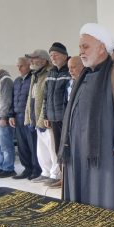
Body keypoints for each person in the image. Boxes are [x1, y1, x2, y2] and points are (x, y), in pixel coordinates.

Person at [59, 23, 114, 217]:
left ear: (101, 48)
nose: (81, 52)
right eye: (80, 47)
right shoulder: (84, 75)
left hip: (107, 152)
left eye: (85, 46)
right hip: (77, 149)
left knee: (104, 194)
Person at [40, 42, 70, 188]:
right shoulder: (51, 73)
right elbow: (45, 97)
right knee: (58, 149)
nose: (53, 58)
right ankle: (63, 177)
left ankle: (69, 178)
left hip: (65, 118)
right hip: (53, 117)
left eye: (56, 55)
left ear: (65, 56)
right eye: (51, 55)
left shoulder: (69, 71)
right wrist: (46, 116)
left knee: (67, 147)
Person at [24, 49, 55, 184]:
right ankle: (45, 172)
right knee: (41, 150)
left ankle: (55, 175)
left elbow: (46, 100)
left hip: (46, 120)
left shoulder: (49, 73)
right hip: (36, 118)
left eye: (34, 58)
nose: (31, 61)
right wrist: (28, 117)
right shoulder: (35, 75)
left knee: (52, 149)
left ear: (43, 60)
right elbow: (30, 98)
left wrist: (43, 119)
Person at [10, 57, 40, 180]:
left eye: (21, 65)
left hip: (29, 116)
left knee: (33, 144)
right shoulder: (17, 81)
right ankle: (27, 168)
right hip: (18, 116)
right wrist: (11, 115)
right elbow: (12, 99)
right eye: (17, 66)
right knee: (22, 145)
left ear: (28, 65)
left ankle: (36, 169)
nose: (19, 68)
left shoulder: (34, 78)